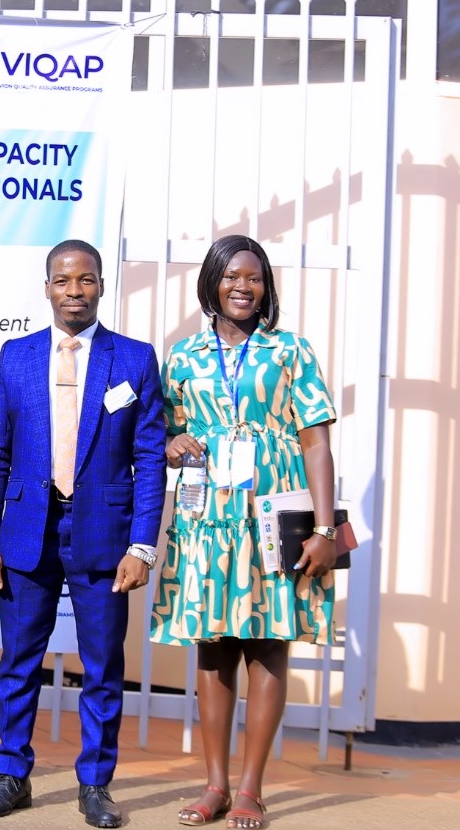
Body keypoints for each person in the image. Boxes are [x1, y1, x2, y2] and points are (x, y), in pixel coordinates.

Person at [0, 241, 167, 828]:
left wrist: (142, 544)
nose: (73, 291)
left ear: (102, 285)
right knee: (18, 662)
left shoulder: (133, 358)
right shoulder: (18, 356)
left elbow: (150, 457)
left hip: (105, 535)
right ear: (47, 287)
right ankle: (12, 775)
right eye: (62, 281)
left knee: (103, 667)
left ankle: (96, 784)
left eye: (85, 280)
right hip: (27, 529)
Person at [150, 235, 339, 830]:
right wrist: (169, 442)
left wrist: (326, 527)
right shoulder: (182, 357)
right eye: (231, 275)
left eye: (254, 277)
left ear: (266, 288)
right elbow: (158, 430)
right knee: (213, 644)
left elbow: (317, 442)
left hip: (272, 512)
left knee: (266, 642)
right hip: (207, 518)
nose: (242, 286)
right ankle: (214, 786)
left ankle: (252, 789)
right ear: (211, 282)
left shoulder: (292, 351)